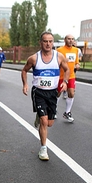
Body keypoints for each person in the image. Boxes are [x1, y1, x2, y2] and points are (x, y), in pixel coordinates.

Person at [21, 31, 69, 161]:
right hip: (39, 92)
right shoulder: (34, 58)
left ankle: (40, 115)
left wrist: (65, 82)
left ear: (53, 43)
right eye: (45, 41)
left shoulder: (59, 57)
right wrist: (25, 84)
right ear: (40, 42)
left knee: (50, 123)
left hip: (53, 93)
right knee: (44, 121)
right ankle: (43, 149)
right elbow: (24, 70)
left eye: (50, 41)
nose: (48, 44)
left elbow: (67, 69)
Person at [56, 34, 80, 122]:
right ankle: (54, 109)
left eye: (72, 39)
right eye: (69, 39)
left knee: (71, 93)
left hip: (71, 75)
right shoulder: (59, 50)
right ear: (65, 40)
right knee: (58, 93)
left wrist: (77, 65)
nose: (71, 41)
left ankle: (67, 112)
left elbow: (77, 62)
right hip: (61, 76)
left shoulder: (76, 50)